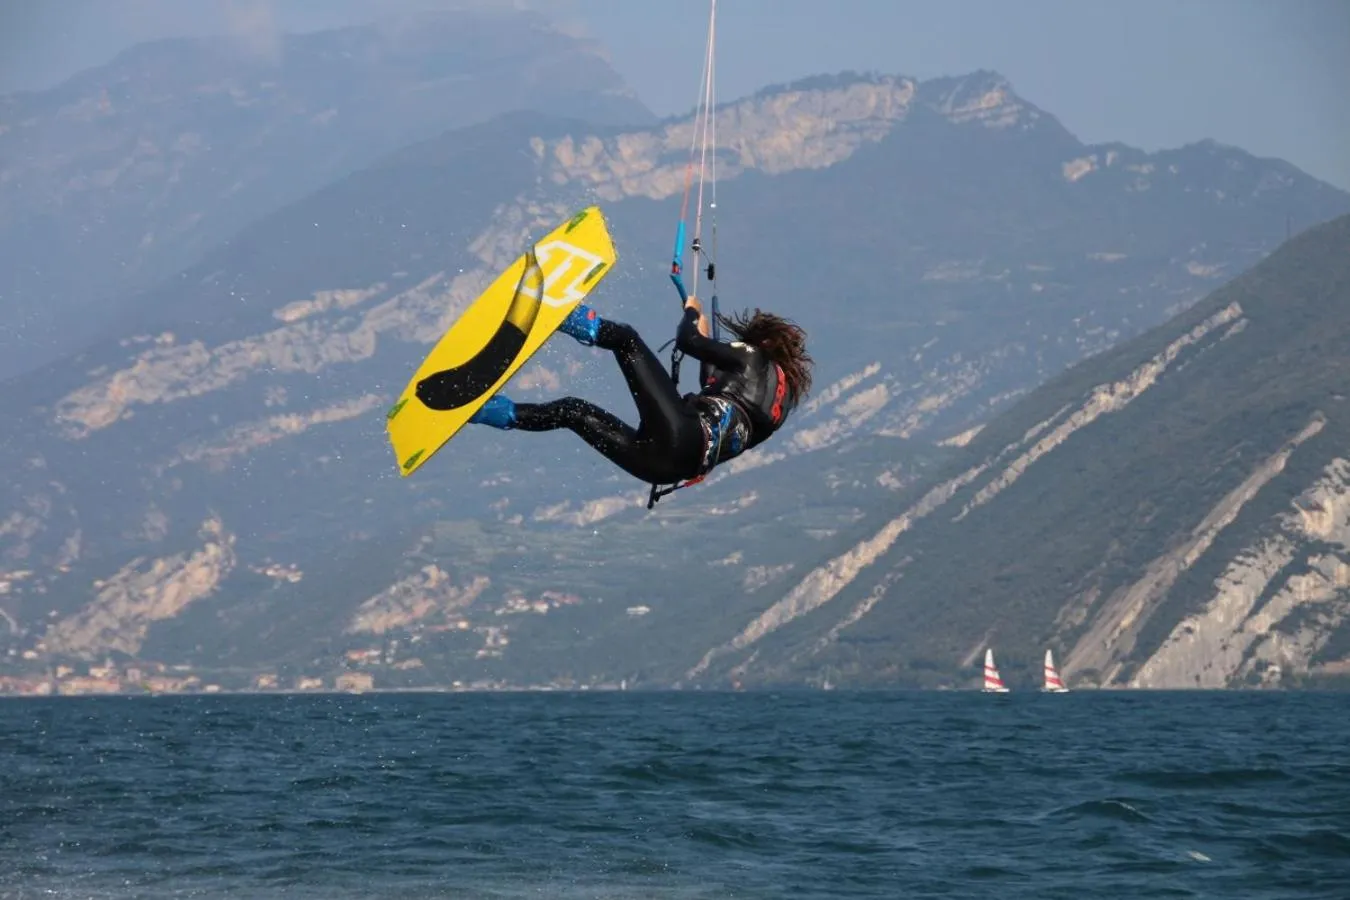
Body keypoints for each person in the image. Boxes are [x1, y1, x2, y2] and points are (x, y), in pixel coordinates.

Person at [467, 296, 813, 487]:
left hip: (681, 433)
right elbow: (713, 386)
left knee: (626, 340)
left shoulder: (753, 356)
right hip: (664, 470)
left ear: (763, 343)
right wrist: (707, 339)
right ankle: (491, 412)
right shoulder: (773, 415)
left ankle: (560, 313)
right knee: (573, 412)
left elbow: (687, 342)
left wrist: (692, 315)